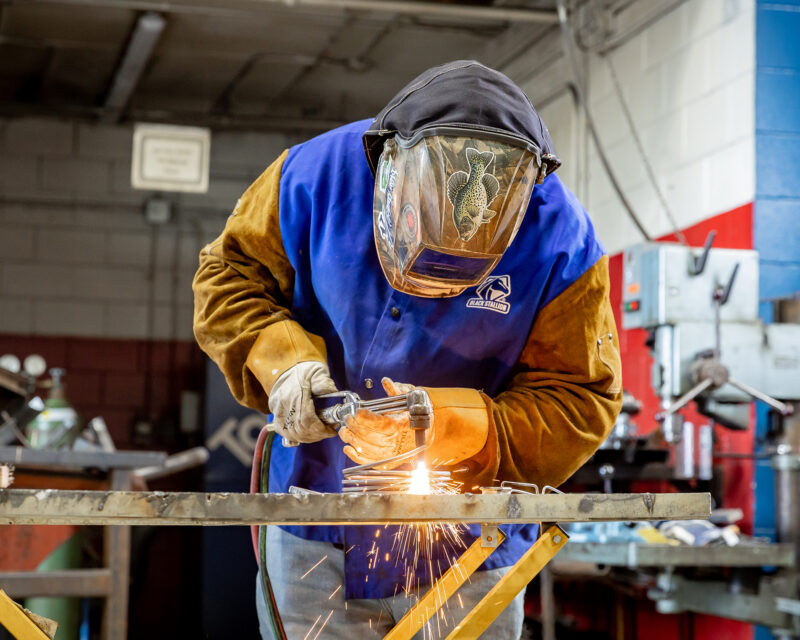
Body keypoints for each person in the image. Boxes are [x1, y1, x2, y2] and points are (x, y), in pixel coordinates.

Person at [193, 60, 622, 639]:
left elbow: (580, 397)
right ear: (386, 165)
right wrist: (285, 362)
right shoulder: (312, 175)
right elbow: (229, 277)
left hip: (465, 540)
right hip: (314, 515)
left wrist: (453, 429)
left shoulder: (561, 239)